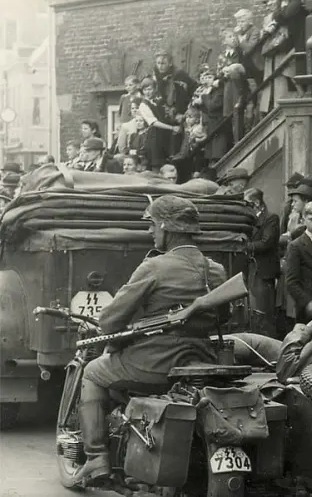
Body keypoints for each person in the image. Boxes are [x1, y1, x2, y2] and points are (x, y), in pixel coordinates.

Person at [69, 196, 226, 485]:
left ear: (167, 226)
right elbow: (223, 318)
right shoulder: (215, 270)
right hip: (201, 360)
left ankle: (95, 459)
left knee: (92, 372)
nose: (150, 232)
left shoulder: (153, 267)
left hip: (155, 363)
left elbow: (109, 321)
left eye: (152, 224)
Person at [244, 188, 280, 336]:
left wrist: (245, 246)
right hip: (252, 270)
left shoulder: (271, 218)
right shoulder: (249, 219)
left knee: (264, 311)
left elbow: (266, 242)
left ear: (257, 203)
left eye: (247, 203)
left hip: (264, 271)